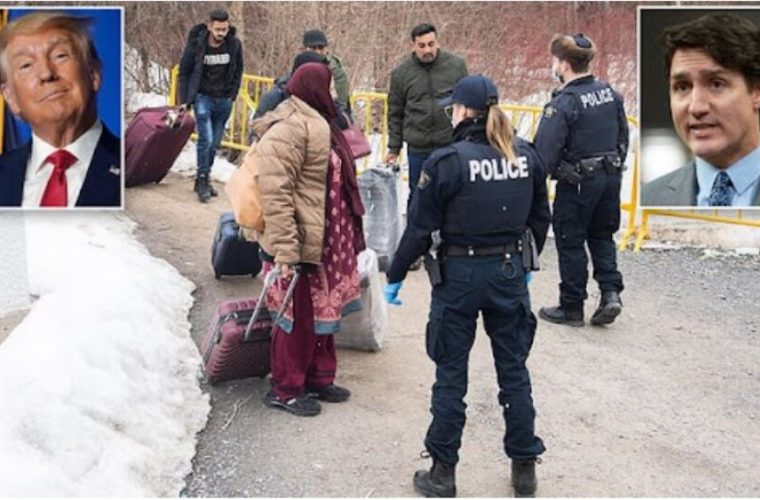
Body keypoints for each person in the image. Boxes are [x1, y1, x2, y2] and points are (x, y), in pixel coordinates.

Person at [383, 75, 550, 498]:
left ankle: (443, 473)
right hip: (509, 273)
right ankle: (524, 469)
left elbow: (420, 229)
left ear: (462, 111)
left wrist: (397, 273)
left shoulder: (447, 162)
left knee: (451, 374)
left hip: (459, 277)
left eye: (451, 108)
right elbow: (540, 217)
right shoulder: (525, 155)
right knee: (514, 370)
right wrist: (529, 260)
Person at [249, 62, 366, 417]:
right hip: (298, 241)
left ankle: (318, 377)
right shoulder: (289, 128)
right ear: (313, 88)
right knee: (296, 316)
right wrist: (286, 248)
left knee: (323, 310)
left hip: (326, 239)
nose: (333, 94)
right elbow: (275, 192)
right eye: (328, 87)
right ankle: (285, 389)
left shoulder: (323, 122)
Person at [534, 33, 628, 327]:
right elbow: (624, 137)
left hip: (577, 182)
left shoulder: (564, 103)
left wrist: (543, 177)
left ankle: (571, 306)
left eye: (555, 60)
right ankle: (610, 292)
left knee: (570, 239)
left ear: (563, 64)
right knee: (602, 235)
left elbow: (544, 154)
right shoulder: (611, 94)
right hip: (610, 177)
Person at [0, 12, 120, 208]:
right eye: (26, 65)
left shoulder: (130, 166)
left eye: (60, 55)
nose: (46, 73)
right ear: (11, 98)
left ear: (93, 74)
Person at [641, 13, 760, 207]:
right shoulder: (647, 199)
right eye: (682, 87)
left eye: (716, 84)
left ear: (756, 92)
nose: (696, 107)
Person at [387, 23, 468, 200]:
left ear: (437, 42)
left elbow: (467, 103)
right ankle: (417, 228)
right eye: (422, 46)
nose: (427, 50)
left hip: (449, 145)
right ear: (413, 46)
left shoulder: (456, 66)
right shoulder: (401, 73)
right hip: (418, 149)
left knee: (451, 195)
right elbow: (395, 112)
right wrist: (394, 147)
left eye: (431, 44)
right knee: (419, 196)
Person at [178, 9, 243, 203]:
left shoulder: (234, 45)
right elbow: (184, 71)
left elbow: (239, 69)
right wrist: (185, 99)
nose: (221, 33)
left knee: (214, 144)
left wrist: (232, 95)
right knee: (205, 140)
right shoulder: (197, 44)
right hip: (202, 97)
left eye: (224, 29)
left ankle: (202, 177)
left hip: (223, 100)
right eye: (218, 29)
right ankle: (204, 179)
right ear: (209, 26)